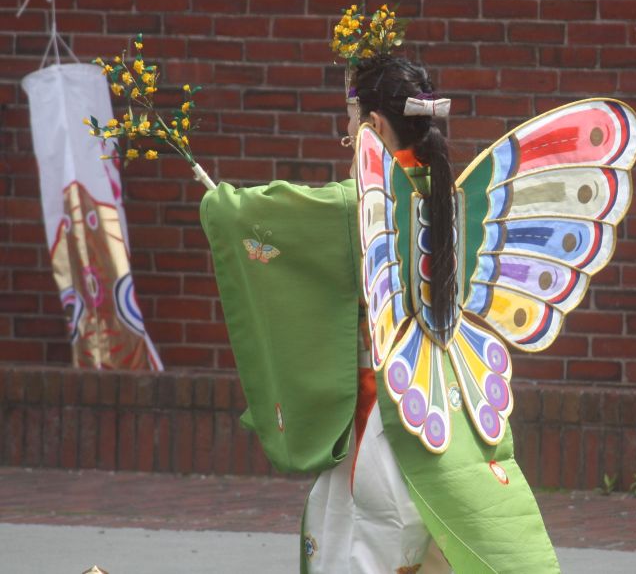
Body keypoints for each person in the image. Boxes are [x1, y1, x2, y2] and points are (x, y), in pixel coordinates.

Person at [201, 49, 561, 573]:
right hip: (452, 408)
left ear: (371, 123)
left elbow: (263, 216)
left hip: (386, 415)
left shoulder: (360, 204)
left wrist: (218, 203)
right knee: (439, 546)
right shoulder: (453, 196)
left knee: (364, 546)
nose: (345, 131)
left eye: (350, 119)